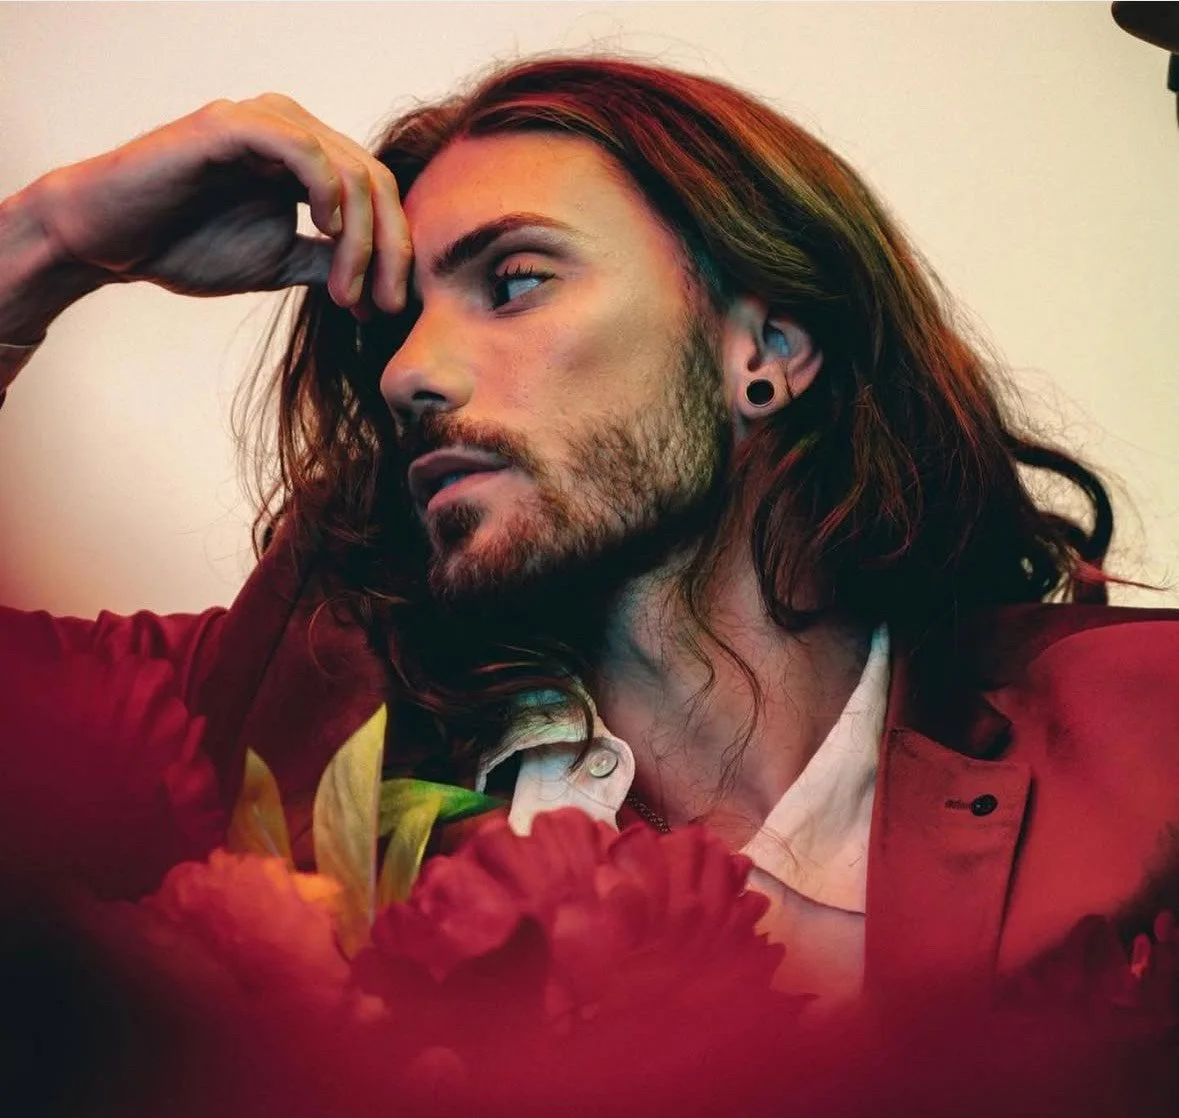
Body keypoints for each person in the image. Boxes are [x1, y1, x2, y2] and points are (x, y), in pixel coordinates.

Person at [1, 55, 1177, 1008]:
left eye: (513, 281)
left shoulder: (1137, 735)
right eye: (397, 324)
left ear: (765, 352)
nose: (409, 370)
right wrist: (47, 244)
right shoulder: (289, 695)